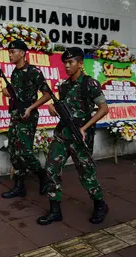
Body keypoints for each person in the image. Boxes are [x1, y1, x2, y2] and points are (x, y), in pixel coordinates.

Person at [37, 47, 109, 226]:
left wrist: (84, 128)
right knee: (51, 169)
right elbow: (62, 107)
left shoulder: (89, 83)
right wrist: (52, 108)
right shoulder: (63, 85)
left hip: (79, 136)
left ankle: (100, 204)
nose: (67, 66)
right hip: (62, 134)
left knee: (86, 173)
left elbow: (103, 109)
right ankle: (55, 210)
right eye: (65, 63)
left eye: (71, 62)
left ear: (80, 63)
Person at [1, 39, 51, 199]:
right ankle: (19, 185)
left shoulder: (33, 71)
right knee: (13, 151)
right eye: (9, 52)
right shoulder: (15, 72)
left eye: (12, 51)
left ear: (22, 53)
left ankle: (43, 176)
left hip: (28, 116)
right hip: (15, 115)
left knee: (25, 152)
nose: (10, 54)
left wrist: (30, 108)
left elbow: (47, 94)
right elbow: (15, 91)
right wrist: (6, 91)